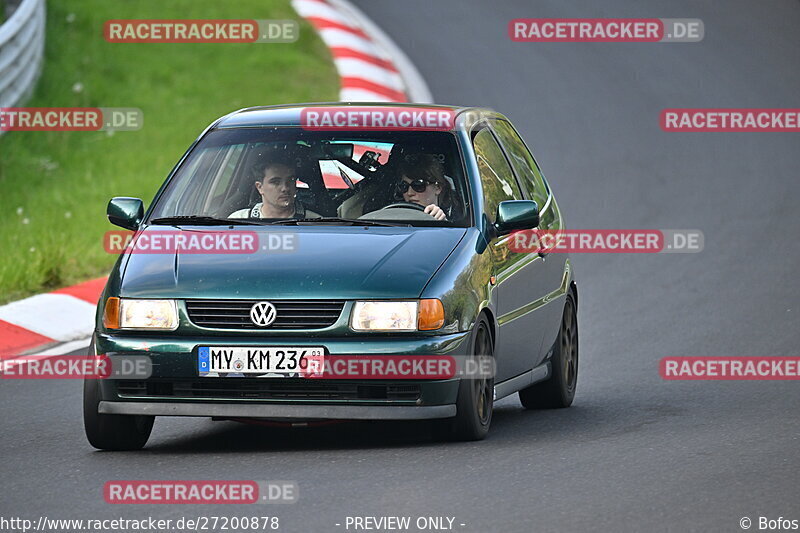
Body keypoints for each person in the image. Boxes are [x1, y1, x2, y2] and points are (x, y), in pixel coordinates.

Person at [229, 158, 320, 219]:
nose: (285, 188)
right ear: (260, 187)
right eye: (276, 182)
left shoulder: (315, 222)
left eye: (291, 180)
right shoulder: (238, 221)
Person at [393, 154, 459, 221]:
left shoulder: (457, 220)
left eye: (418, 185)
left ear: (438, 187)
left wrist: (442, 222)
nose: (409, 193)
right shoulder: (391, 218)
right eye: (404, 186)